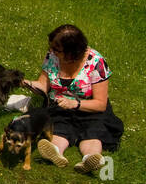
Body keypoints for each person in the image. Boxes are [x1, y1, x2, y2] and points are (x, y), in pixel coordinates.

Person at [24, 25, 123, 175]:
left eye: (57, 50)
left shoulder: (96, 63)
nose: (52, 52)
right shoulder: (52, 57)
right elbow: (43, 85)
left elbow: (100, 104)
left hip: (90, 109)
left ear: (72, 52)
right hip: (60, 106)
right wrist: (23, 82)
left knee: (93, 132)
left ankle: (91, 158)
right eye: (51, 48)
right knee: (58, 129)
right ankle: (55, 152)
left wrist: (75, 104)